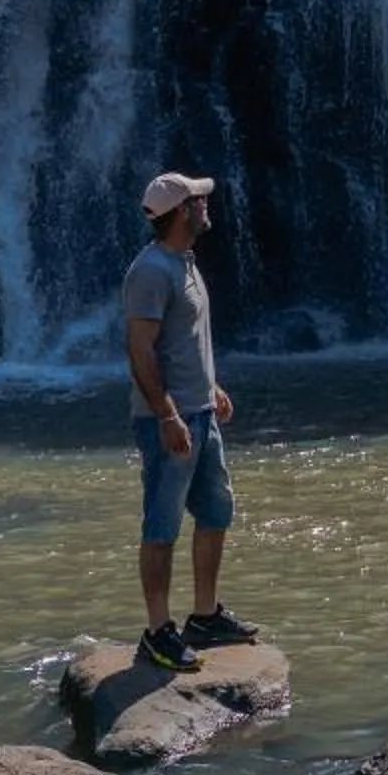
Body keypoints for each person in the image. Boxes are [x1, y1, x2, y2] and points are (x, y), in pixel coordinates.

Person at [123, 170, 259, 672]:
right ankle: (157, 632)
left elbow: (185, 341)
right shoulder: (151, 271)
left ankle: (204, 617)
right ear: (181, 211)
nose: (206, 204)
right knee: (161, 525)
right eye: (198, 199)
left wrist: (212, 388)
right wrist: (166, 415)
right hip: (171, 420)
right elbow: (139, 349)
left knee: (217, 510)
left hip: (201, 412)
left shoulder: (185, 262)